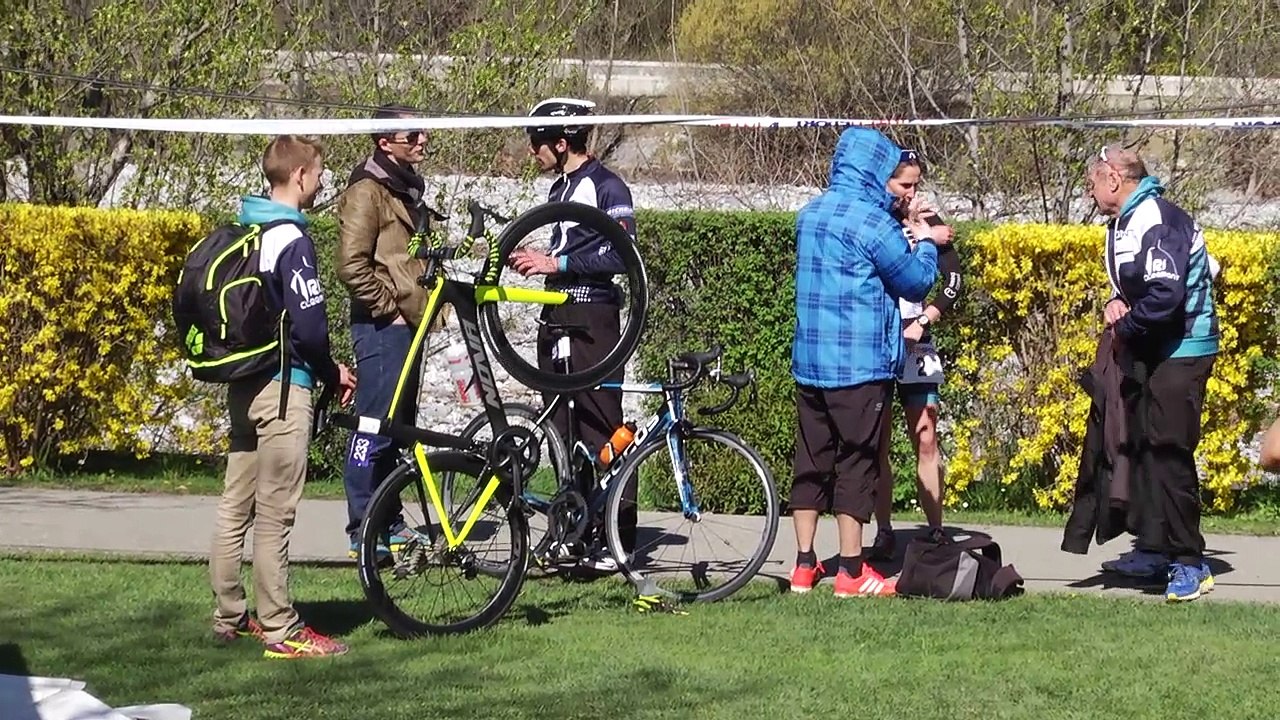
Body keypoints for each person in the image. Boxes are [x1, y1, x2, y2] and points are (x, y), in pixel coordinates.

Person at [210, 134, 357, 658]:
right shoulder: (291, 239)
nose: (320, 183)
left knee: (235, 505)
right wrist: (331, 372)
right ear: (299, 176)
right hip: (282, 389)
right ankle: (280, 628)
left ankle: (229, 616)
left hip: (244, 382)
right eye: (318, 173)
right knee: (276, 513)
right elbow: (311, 328)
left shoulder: (248, 226)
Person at [789, 129, 949, 597]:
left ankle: (803, 565)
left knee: (811, 461)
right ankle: (853, 572)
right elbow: (916, 283)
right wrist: (924, 241)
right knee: (857, 462)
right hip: (860, 366)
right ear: (875, 171)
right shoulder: (872, 224)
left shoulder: (810, 215)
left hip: (810, 362)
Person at [508, 97, 636, 573]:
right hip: (555, 315)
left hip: (593, 317)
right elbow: (564, 247)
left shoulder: (608, 186)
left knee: (602, 421)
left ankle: (615, 535)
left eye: (537, 144)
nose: (532, 154)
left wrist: (557, 263)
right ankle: (570, 532)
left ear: (562, 143)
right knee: (559, 425)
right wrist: (532, 256)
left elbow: (624, 256)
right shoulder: (559, 189)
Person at [1087, 144, 1219, 602]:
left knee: (1168, 450)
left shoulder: (1158, 219)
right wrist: (1114, 303)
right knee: (1141, 447)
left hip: (1184, 347)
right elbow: (1132, 287)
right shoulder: (1124, 222)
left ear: (1113, 179)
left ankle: (1190, 561)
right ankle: (1155, 546)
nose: (1089, 191)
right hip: (1152, 347)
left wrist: (1126, 324)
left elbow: (1165, 295)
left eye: (1092, 182)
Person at [335, 104, 440, 559]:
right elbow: (350, 265)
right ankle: (364, 529)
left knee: (396, 431)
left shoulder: (404, 189)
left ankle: (389, 522)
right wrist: (388, 310)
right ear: (384, 143)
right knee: (372, 429)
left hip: (409, 327)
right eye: (411, 135)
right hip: (383, 328)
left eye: (422, 132)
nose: (422, 141)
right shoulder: (367, 191)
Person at [869, 152, 961, 560]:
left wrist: (925, 318)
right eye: (906, 185)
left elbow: (956, 281)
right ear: (886, 183)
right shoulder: (873, 222)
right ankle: (884, 530)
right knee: (877, 443)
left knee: (926, 437)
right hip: (877, 343)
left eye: (917, 185)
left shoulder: (931, 221)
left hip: (918, 346)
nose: (913, 193)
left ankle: (936, 529)